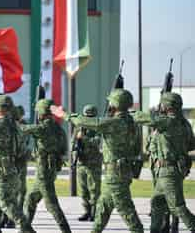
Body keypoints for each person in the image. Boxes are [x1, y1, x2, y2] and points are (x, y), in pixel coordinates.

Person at [51, 89, 144, 233]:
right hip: (122, 170)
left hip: (116, 173)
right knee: (103, 209)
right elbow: (137, 149)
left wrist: (63, 114)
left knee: (127, 211)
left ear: (115, 104)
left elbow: (83, 121)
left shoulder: (113, 122)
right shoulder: (132, 122)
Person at [134, 92, 195, 232]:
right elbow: (191, 145)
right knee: (157, 204)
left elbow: (142, 118)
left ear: (167, 105)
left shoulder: (167, 121)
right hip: (168, 171)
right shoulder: (184, 123)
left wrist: (128, 111)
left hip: (168, 171)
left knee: (177, 207)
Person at [21, 99, 71, 233]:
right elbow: (64, 148)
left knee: (51, 205)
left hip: (44, 170)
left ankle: (66, 230)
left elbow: (23, 129)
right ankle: (25, 229)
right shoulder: (58, 128)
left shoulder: (43, 128)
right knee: (31, 199)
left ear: (42, 113)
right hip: (52, 168)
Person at [0, 95, 36, 233]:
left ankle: (27, 230)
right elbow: (24, 153)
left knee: (7, 206)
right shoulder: (17, 126)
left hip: (1, 174)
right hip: (13, 172)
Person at [0, 105, 30, 229]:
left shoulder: (11, 127)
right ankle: (9, 217)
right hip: (17, 162)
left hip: (11, 162)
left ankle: (6, 217)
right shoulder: (20, 127)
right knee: (17, 191)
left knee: (9, 192)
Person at [72, 104, 102, 222]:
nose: (88, 119)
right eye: (86, 116)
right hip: (81, 162)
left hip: (93, 163)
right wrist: (74, 153)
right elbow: (73, 142)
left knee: (94, 189)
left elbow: (97, 142)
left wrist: (83, 139)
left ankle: (95, 213)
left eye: (90, 117)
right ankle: (87, 211)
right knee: (83, 190)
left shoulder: (98, 128)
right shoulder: (79, 128)